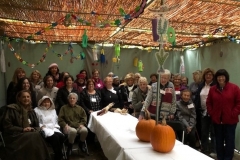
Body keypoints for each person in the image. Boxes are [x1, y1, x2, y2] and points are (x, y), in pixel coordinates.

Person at [2, 90, 50, 160]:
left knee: (36, 135)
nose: (26, 99)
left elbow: (36, 126)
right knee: (35, 136)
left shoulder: (31, 111)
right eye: (23, 97)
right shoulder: (12, 109)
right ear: (19, 98)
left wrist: (32, 129)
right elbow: (7, 127)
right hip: (14, 136)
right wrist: (22, 129)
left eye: (28, 97)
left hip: (29, 135)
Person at [207, 69, 240, 160]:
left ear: (226, 77)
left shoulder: (234, 88)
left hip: (230, 121)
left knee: (229, 141)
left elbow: (239, 103)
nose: (220, 78)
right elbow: (209, 102)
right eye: (218, 77)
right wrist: (212, 113)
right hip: (217, 120)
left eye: (222, 76)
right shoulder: (213, 89)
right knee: (219, 141)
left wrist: (233, 113)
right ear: (216, 78)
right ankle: (220, 157)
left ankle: (228, 158)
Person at [58, 93, 88, 157]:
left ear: (76, 100)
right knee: (73, 131)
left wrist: (82, 124)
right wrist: (64, 125)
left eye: (73, 98)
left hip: (78, 126)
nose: (72, 99)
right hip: (68, 126)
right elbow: (60, 119)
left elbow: (84, 118)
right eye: (70, 98)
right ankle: (70, 146)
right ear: (68, 99)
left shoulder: (80, 108)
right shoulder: (63, 108)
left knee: (85, 130)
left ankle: (81, 144)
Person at [34, 96, 64, 160]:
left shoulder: (53, 110)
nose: (46, 104)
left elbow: (56, 120)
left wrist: (56, 126)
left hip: (53, 128)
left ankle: (57, 154)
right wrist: (40, 126)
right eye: (44, 102)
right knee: (55, 137)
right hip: (44, 128)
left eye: (48, 102)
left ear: (50, 103)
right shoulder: (36, 110)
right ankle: (59, 156)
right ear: (41, 102)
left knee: (61, 136)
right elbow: (35, 121)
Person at [195, 68, 216, 156]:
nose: (208, 76)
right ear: (204, 76)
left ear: (213, 76)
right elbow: (197, 98)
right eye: (207, 74)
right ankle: (204, 148)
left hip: (213, 112)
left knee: (213, 131)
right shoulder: (201, 85)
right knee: (204, 131)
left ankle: (214, 150)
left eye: (210, 75)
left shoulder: (215, 86)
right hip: (203, 112)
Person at [80, 79, 101, 143]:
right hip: (89, 113)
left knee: (99, 127)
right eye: (89, 84)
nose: (91, 85)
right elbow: (82, 103)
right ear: (87, 85)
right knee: (91, 128)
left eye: (92, 84)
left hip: (98, 113)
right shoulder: (83, 93)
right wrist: (88, 110)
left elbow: (101, 101)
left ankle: (98, 141)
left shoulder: (98, 91)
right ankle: (90, 142)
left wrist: (101, 110)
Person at [189, 70, 202, 140]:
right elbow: (189, 94)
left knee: (200, 125)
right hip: (192, 106)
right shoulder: (192, 85)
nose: (194, 78)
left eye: (195, 77)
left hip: (200, 107)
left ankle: (200, 140)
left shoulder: (202, 85)